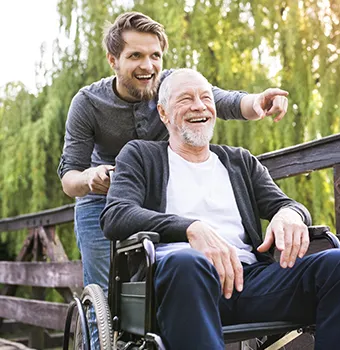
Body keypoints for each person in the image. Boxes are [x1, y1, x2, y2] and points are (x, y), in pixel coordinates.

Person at [100, 69, 340, 350]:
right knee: (187, 263)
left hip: (249, 282)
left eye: (206, 98)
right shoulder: (140, 156)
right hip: (180, 283)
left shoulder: (240, 161)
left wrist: (290, 214)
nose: (199, 105)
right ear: (164, 113)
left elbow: (285, 204)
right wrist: (191, 228)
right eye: (186, 99)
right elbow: (116, 215)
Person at [57, 12, 290, 293]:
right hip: (102, 201)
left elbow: (224, 101)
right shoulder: (87, 103)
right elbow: (69, 180)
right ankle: (103, 334)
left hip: (156, 195)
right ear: (112, 60)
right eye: (135, 56)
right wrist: (90, 178)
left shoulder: (172, 86)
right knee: (105, 293)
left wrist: (259, 102)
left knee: (160, 281)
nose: (148, 66)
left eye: (155, 55)